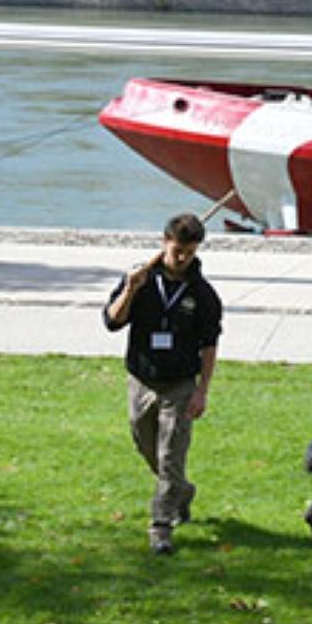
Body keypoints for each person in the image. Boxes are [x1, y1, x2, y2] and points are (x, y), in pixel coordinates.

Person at [103, 213, 222, 555]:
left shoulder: (202, 293)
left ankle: (161, 526)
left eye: (189, 252)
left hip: (180, 385)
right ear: (164, 242)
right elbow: (112, 321)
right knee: (147, 446)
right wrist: (129, 288)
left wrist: (202, 390)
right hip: (141, 380)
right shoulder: (140, 280)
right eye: (177, 251)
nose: (182, 258)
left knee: (171, 455)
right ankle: (181, 491)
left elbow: (210, 344)